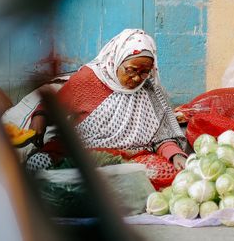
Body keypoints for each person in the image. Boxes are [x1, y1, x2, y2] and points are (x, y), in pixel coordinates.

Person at [25, 29, 189, 188]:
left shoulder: (150, 90)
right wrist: (40, 117)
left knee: (170, 174)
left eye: (145, 72)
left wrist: (175, 155)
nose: (137, 78)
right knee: (37, 163)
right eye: (131, 70)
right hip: (85, 155)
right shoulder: (88, 79)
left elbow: (162, 137)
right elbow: (53, 106)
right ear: (117, 59)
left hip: (132, 160)